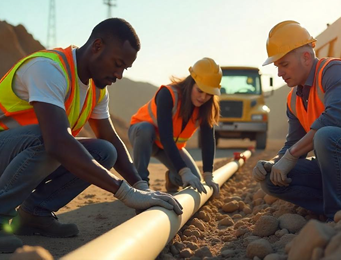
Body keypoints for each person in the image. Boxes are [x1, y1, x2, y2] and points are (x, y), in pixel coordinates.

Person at [0, 18, 183, 254]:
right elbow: (57, 142)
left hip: (18, 154)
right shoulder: (48, 69)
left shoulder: (96, 89)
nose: (119, 74)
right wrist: (125, 193)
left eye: (124, 68)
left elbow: (110, 138)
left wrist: (141, 186)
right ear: (97, 46)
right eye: (117, 64)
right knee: (51, 140)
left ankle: (34, 215)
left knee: (104, 151)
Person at [253, 20, 341, 221]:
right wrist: (273, 163)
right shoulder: (294, 99)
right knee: (271, 179)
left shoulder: (334, 71)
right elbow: (292, 145)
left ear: (306, 57)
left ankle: (340, 218)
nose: (279, 73)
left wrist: (289, 157)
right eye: (277, 66)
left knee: (327, 134)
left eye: (284, 64)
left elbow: (337, 118)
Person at [129, 58, 221, 196]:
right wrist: (184, 171)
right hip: (143, 136)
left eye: (209, 94)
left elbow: (208, 141)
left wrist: (208, 175)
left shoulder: (206, 107)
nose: (203, 97)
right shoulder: (168, 94)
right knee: (145, 129)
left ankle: (172, 178)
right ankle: (140, 184)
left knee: (195, 180)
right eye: (200, 90)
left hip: (168, 147)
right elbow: (166, 136)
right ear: (191, 82)